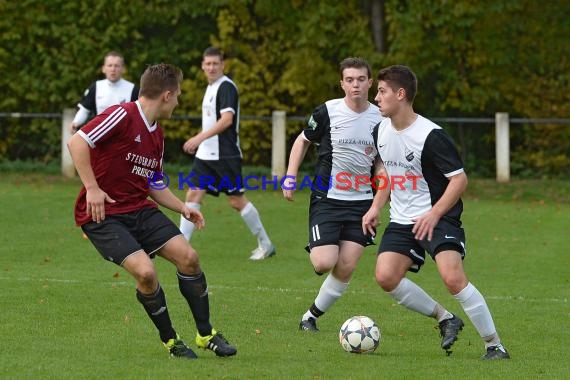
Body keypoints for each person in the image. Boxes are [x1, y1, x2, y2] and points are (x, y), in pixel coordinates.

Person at [67, 63, 236, 359]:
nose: (179, 101)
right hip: (104, 215)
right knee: (146, 273)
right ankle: (171, 340)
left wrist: (182, 207)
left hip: (139, 208)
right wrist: (92, 188)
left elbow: (154, 183)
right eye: (179, 95)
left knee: (189, 258)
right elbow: (77, 141)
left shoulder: (156, 133)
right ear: (167, 95)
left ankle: (206, 333)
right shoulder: (122, 114)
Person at [362, 64, 510, 360]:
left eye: (381, 91)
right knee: (386, 276)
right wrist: (376, 206)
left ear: (400, 94)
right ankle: (446, 318)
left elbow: (460, 180)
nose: (375, 97)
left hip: (438, 216)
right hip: (403, 219)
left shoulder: (431, 135)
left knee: (453, 277)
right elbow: (390, 175)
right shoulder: (380, 130)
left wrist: (433, 214)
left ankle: (494, 345)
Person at [282, 57, 383, 332]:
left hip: (362, 203)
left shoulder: (380, 116)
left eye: (361, 79)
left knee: (346, 266)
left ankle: (310, 317)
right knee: (323, 262)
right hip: (327, 199)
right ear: (342, 84)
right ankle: (324, 241)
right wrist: (290, 176)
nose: (356, 85)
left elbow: (380, 159)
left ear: (370, 83)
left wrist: (382, 188)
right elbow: (302, 141)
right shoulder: (327, 111)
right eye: (350, 80)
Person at [180, 46, 275, 261]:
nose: (212, 67)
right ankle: (181, 245)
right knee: (193, 195)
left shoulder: (226, 87)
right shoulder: (211, 87)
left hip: (225, 156)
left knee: (236, 201)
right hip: (206, 156)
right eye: (208, 64)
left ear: (223, 65)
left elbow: (226, 120)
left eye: (216, 63)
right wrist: (202, 142)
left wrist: (198, 138)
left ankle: (266, 244)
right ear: (202, 66)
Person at [69, 51, 139, 133]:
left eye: (117, 66)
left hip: (123, 138)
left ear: (123, 69)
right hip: (100, 136)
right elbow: (84, 110)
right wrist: (76, 122)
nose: (113, 69)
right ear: (103, 68)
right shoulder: (95, 87)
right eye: (110, 65)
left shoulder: (133, 89)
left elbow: (139, 116)